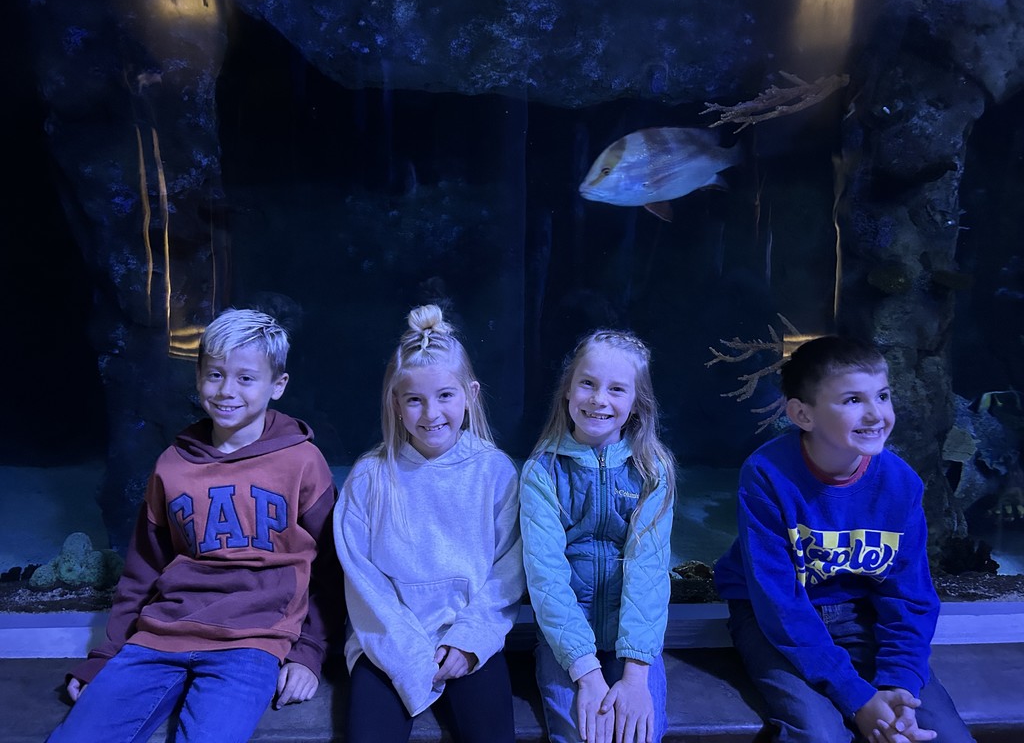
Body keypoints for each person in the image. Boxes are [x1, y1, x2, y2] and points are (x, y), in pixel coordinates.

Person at [47, 308, 343, 743]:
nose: (227, 391)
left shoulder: (303, 462)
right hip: (159, 637)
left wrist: (309, 652)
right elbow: (143, 569)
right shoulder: (172, 463)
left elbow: (333, 570)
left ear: (277, 385)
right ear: (199, 377)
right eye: (215, 374)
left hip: (252, 643)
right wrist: (107, 654)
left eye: (246, 378)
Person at [714, 335, 975, 743]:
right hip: (771, 620)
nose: (876, 414)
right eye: (853, 400)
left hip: (858, 612)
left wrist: (898, 687)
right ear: (802, 414)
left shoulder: (900, 483)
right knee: (819, 734)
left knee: (943, 735)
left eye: (883, 395)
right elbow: (778, 603)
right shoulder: (766, 475)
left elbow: (909, 596)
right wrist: (857, 698)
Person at [333, 304, 525, 743]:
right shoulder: (369, 477)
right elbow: (364, 583)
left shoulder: (496, 473)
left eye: (445, 395)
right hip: (386, 644)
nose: (430, 413)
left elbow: (506, 574)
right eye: (414, 399)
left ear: (470, 394)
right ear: (395, 405)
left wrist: (468, 642)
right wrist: (408, 657)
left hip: (465, 638)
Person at [520, 329, 676, 743]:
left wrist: (636, 673)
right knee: (582, 736)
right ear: (568, 390)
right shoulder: (542, 471)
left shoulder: (652, 471)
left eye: (616, 389)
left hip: (635, 643)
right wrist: (586, 671)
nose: (598, 399)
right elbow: (546, 580)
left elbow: (649, 572)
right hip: (566, 641)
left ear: (636, 403)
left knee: (639, 734)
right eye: (587, 383)